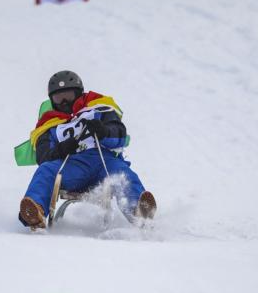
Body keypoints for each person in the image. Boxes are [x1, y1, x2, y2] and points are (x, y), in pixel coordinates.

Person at [18, 70, 156, 230]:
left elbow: (120, 135)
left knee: (122, 174)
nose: (64, 102)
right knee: (46, 170)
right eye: (58, 98)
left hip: (105, 162)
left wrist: (104, 131)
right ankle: (35, 211)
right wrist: (62, 149)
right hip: (72, 166)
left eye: (68, 96)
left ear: (78, 93)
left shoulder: (100, 108)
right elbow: (43, 157)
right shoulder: (49, 124)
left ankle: (139, 211)